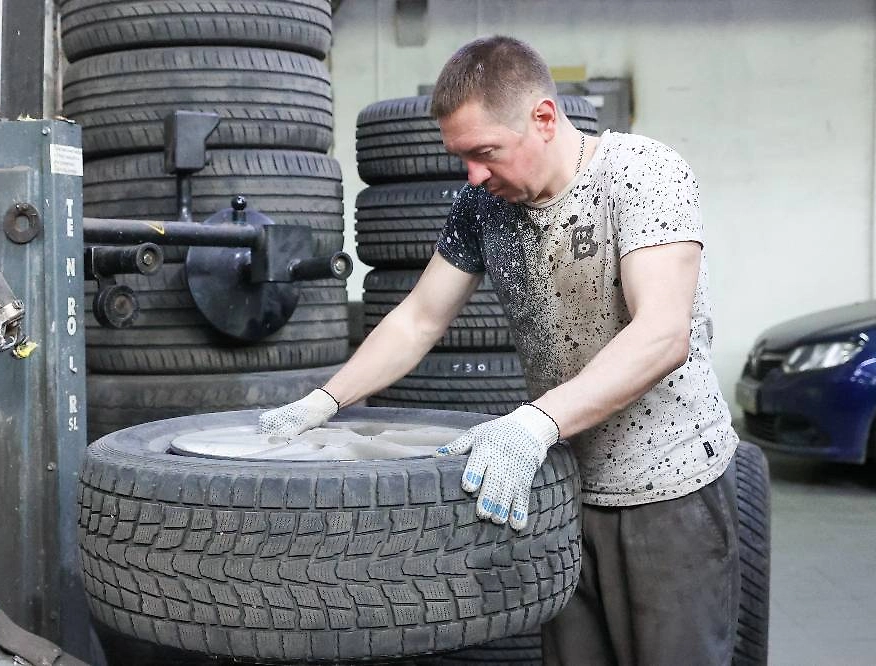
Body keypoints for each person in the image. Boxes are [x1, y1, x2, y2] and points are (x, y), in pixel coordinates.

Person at [258, 35, 740, 665]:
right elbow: (419, 320)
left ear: (543, 117)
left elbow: (662, 334)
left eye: (484, 153)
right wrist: (323, 401)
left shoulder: (640, 174)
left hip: (667, 490)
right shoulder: (484, 205)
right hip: (560, 486)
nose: (474, 175)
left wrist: (535, 422)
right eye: (462, 158)